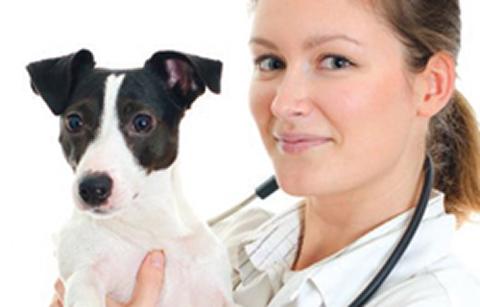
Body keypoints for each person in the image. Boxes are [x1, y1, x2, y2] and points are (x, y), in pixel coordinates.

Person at [50, 0, 480, 306]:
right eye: (271, 62)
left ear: (432, 86)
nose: (284, 102)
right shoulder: (226, 246)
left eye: (336, 61)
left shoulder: (432, 298)